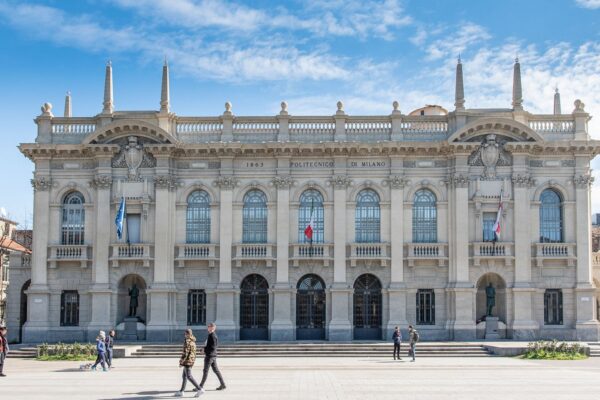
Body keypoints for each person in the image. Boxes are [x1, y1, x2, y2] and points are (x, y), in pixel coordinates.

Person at [198, 323, 226, 394]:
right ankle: (223, 384)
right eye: (208, 326)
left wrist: (204, 350)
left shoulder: (212, 335)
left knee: (205, 371)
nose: (208, 327)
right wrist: (204, 348)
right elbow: (210, 346)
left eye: (209, 326)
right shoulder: (211, 335)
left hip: (210, 356)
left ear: (213, 328)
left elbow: (213, 347)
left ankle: (200, 386)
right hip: (212, 355)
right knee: (216, 371)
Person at [175, 329, 203, 398]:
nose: (184, 335)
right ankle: (181, 391)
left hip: (187, 361)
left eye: (185, 334)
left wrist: (181, 361)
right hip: (191, 360)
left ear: (187, 334)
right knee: (184, 376)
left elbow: (185, 353)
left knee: (189, 376)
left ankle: (200, 389)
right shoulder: (193, 341)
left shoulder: (187, 341)